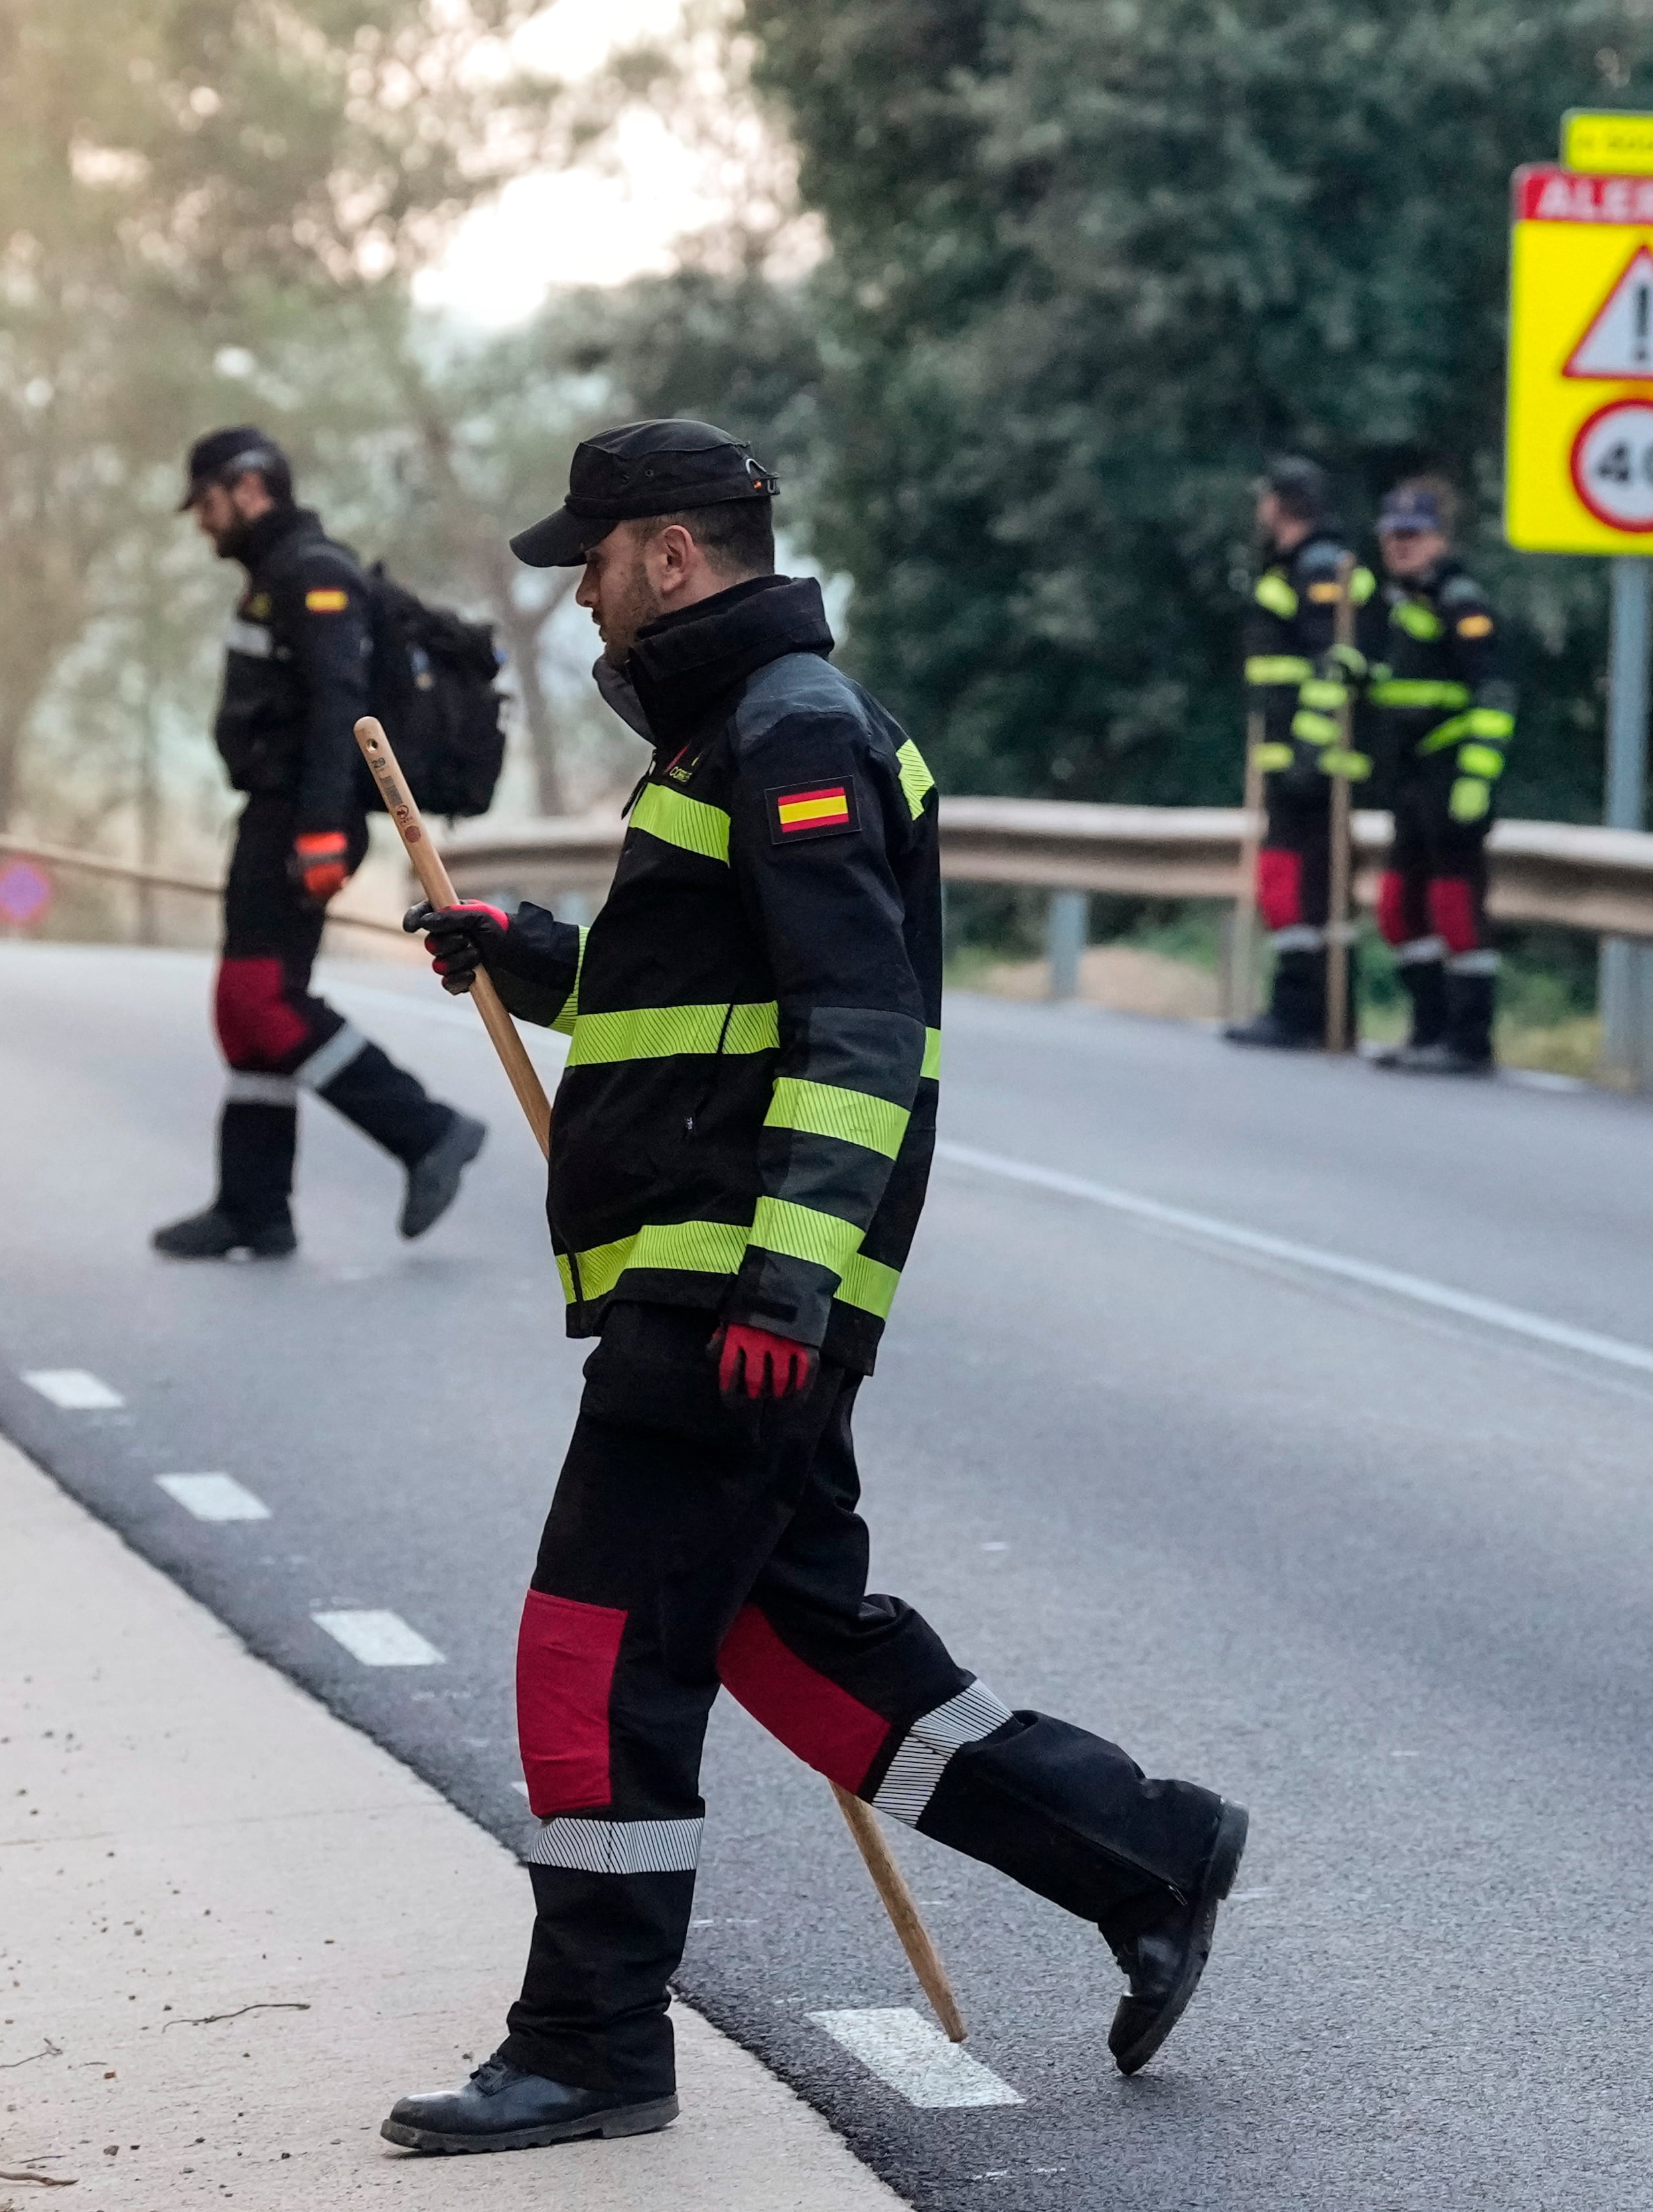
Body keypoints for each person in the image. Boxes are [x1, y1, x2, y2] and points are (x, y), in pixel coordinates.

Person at [384, 420, 1250, 2155]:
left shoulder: (792, 733)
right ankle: (1145, 1848)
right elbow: (704, 1006)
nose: (582, 588)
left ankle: (591, 2037)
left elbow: (861, 1032)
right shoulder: (732, 732)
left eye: (598, 557)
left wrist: (791, 1285)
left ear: (676, 557)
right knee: (804, 1652)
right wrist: (534, 957)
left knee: (593, 1652)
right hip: (712, 1282)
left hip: (730, 1297)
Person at [152, 427, 484, 1259]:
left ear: (250, 487)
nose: (202, 523)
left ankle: (426, 1131)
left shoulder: (315, 575)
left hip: (302, 820)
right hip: (276, 814)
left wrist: (319, 830)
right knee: (246, 1011)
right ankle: (254, 1207)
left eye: (208, 503)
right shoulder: (276, 577)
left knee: (261, 1000)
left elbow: (342, 709)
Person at [1352, 478, 1514, 1073]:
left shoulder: (1461, 601)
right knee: (1398, 907)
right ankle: (1429, 1027)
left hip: (1453, 775)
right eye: (1393, 536)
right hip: (1410, 777)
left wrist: (1477, 778)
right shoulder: (1395, 605)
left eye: (1413, 536)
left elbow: (1495, 692)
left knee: (1454, 904)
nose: (1400, 547)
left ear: (1439, 540)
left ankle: (1470, 1039)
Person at [1224, 456, 1366, 1049]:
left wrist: (1309, 748)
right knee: (1306, 883)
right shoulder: (1296, 565)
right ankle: (1319, 1010)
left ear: (1279, 504)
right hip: (1293, 755)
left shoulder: (1318, 568)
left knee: (1296, 883)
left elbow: (1332, 666)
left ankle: (1304, 1010)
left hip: (1313, 761)